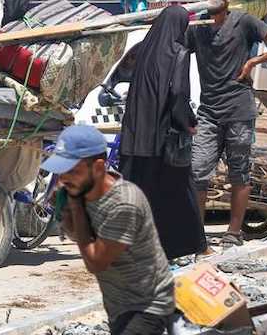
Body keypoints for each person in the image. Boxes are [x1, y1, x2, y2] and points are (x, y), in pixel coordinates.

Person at [42, 125, 174, 335]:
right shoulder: (83, 190)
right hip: (119, 303)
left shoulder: (123, 203)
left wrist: (75, 207)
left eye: (73, 171)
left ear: (98, 167)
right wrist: (64, 213)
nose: (64, 179)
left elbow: (95, 262)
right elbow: (79, 235)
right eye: (61, 172)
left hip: (148, 304)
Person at [104, 6, 208, 261]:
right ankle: (196, 246)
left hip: (135, 139)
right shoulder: (179, 53)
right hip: (162, 142)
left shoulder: (144, 51)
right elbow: (179, 95)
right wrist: (188, 122)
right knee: (181, 193)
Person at [188, 0, 267, 247]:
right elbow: (173, 48)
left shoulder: (244, 22)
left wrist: (254, 62)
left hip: (239, 110)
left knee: (239, 172)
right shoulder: (199, 28)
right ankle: (195, 235)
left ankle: (233, 233)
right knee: (198, 171)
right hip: (209, 112)